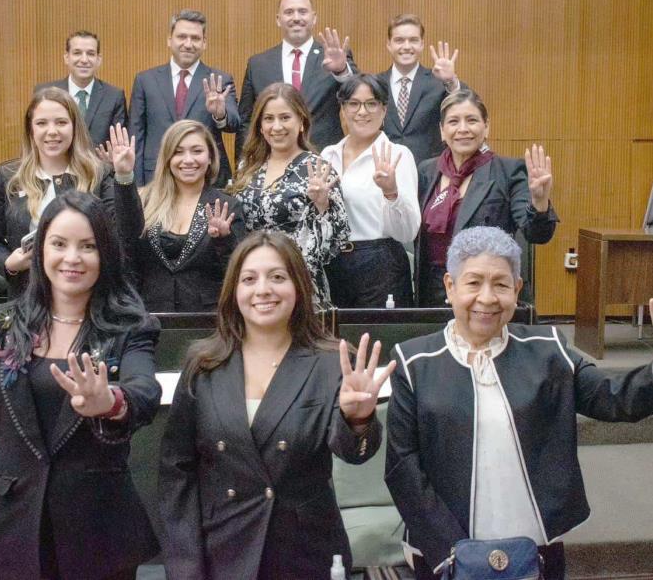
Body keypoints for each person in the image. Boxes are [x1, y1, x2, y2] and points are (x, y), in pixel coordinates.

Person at [385, 226, 653, 580]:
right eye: (473, 282)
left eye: (500, 284)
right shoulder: (413, 361)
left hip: (533, 542)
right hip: (444, 550)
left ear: (517, 290)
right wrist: (453, 553)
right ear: (450, 287)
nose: (487, 297)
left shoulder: (547, 350)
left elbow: (616, 399)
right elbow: (402, 466)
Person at [0, 191, 162, 580]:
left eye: (88, 246)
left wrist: (111, 402)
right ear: (40, 249)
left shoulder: (130, 325)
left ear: (106, 255)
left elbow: (144, 392)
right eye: (59, 244)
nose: (72, 258)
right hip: (12, 524)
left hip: (97, 530)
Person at [158, 230, 394, 579]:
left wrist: (357, 420)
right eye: (249, 279)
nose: (263, 290)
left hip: (305, 553)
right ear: (233, 291)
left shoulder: (331, 362)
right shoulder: (204, 363)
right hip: (222, 550)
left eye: (278, 277)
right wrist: (185, 565)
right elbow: (176, 471)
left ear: (298, 286)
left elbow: (354, 452)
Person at [416, 89, 558, 306]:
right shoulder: (427, 171)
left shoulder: (508, 171)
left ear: (486, 127)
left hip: (484, 292)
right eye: (453, 121)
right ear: (442, 131)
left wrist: (539, 202)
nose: (463, 129)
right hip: (432, 292)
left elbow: (537, 234)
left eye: (471, 120)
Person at [0, 87, 115, 298]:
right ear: (31, 130)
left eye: (61, 122)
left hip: (88, 294)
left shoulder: (99, 174)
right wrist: (9, 263)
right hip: (27, 293)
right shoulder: (7, 178)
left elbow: (120, 234)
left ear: (75, 128)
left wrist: (125, 176)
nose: (52, 131)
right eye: (42, 123)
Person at [230, 82, 349, 308]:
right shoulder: (248, 168)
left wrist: (323, 205)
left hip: (300, 285)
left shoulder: (318, 168)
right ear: (260, 126)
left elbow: (337, 241)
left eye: (285, 117)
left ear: (301, 121)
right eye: (269, 119)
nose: (277, 127)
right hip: (255, 286)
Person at [107, 120, 245, 311]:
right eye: (178, 152)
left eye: (197, 151)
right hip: (150, 317)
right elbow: (127, 248)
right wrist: (123, 175)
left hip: (206, 322)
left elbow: (238, 274)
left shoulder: (226, 206)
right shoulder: (144, 200)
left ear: (211, 158)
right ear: (167, 158)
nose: (188, 160)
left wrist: (224, 240)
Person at [321, 74, 420, 307]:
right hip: (333, 263)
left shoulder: (397, 155)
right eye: (353, 104)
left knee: (379, 340)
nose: (362, 112)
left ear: (384, 110)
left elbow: (407, 233)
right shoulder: (327, 155)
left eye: (371, 104)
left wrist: (391, 192)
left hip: (381, 263)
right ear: (343, 109)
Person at [236, 0, 357, 160]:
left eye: (302, 11)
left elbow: (358, 94)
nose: (296, 18)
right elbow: (246, 122)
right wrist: (243, 166)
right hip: (271, 161)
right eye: (289, 12)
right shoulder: (258, 65)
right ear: (278, 19)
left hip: (323, 159)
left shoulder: (333, 55)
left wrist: (341, 70)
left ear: (314, 18)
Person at [129, 9, 240, 187]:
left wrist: (220, 114)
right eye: (182, 37)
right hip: (156, 176)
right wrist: (138, 185)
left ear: (204, 43)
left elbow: (234, 124)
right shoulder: (145, 80)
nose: (188, 44)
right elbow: (136, 135)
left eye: (195, 38)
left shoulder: (219, 80)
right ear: (169, 40)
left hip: (205, 177)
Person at [378, 14, 465, 165]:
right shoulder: (377, 83)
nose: (406, 46)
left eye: (413, 40)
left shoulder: (439, 81)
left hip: (430, 172)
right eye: (399, 40)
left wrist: (451, 81)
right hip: (385, 170)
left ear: (422, 44)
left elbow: (467, 105)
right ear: (389, 44)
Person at [35, 29, 128, 149]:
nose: (84, 60)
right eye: (77, 53)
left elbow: (119, 145)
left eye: (90, 53)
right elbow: (33, 136)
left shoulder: (114, 96)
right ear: (66, 57)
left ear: (98, 59)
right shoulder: (45, 93)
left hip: (98, 166)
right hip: (55, 166)